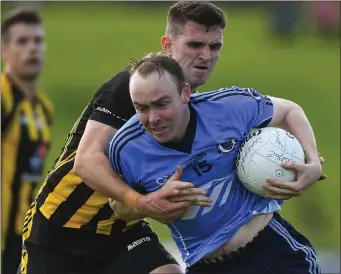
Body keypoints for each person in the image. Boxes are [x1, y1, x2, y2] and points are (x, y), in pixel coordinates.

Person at [19, 2, 226, 274]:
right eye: (195, 45)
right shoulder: (130, 87)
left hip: (120, 230)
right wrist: (141, 202)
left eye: (214, 47)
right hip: (60, 227)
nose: (205, 56)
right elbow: (86, 161)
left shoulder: (194, 106)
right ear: (168, 44)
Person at [108, 52, 322, 274]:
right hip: (205, 265)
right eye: (141, 108)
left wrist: (313, 161)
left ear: (185, 93)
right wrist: (151, 202)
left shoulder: (229, 107)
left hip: (271, 252)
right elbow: (119, 209)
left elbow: (289, 111)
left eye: (162, 104)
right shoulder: (126, 147)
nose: (153, 118)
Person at [1, 8, 53, 274]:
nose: (32, 48)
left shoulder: (43, 109)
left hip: (23, 235)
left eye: (38, 41)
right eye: (22, 42)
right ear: (4, 50)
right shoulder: (3, 98)